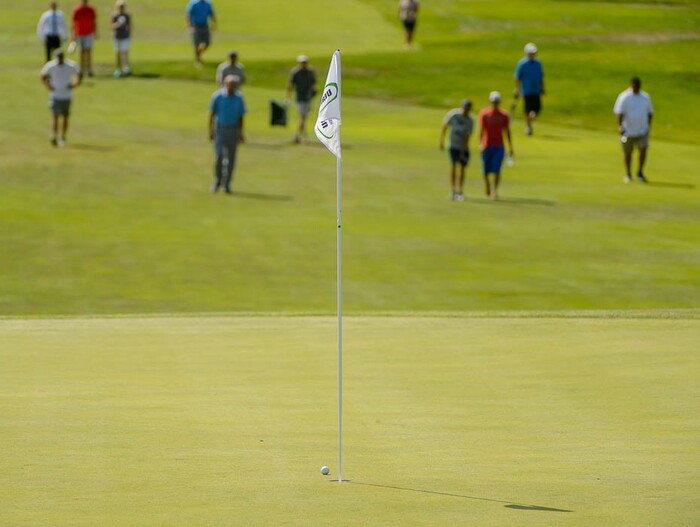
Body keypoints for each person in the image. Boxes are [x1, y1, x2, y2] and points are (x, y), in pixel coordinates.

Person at [208, 75, 246, 194]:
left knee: (231, 158)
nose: (232, 87)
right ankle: (217, 181)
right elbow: (212, 114)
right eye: (230, 85)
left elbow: (241, 116)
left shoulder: (239, 98)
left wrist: (241, 133)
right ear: (225, 84)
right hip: (220, 129)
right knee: (219, 156)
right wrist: (210, 131)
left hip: (233, 130)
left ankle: (227, 184)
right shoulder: (218, 96)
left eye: (234, 85)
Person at [613, 77, 654, 183]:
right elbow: (619, 112)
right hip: (627, 131)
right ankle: (628, 173)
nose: (636, 88)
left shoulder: (645, 97)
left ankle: (640, 172)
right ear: (631, 86)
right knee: (627, 152)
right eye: (634, 86)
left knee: (643, 150)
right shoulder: (624, 97)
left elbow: (650, 112)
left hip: (642, 130)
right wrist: (620, 126)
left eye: (638, 86)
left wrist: (647, 126)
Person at [41, 49, 83, 147]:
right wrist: (48, 85)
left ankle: (63, 136)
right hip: (55, 95)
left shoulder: (70, 65)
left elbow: (79, 73)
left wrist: (75, 84)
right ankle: (54, 136)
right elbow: (43, 75)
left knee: (65, 117)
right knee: (55, 116)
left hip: (67, 95)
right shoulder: (51, 66)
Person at [478, 91, 513, 200]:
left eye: (497, 102)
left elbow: (507, 131)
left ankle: (494, 191)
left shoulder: (504, 115)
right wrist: (481, 144)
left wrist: (510, 147)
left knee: (497, 169)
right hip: (487, 145)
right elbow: (481, 130)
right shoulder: (484, 114)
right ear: (490, 102)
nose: (495, 104)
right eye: (493, 102)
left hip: (499, 146)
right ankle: (487, 185)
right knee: (485, 170)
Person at [439, 99, 474, 201]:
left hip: (463, 146)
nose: (465, 111)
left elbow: (468, 137)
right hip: (453, 145)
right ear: (461, 107)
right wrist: (441, 140)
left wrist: (464, 149)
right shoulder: (453, 115)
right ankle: (453, 190)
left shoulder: (470, 120)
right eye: (464, 108)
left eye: (467, 109)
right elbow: (444, 126)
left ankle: (460, 191)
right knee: (453, 166)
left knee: (462, 168)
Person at [514, 42, 545, 136]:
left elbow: (541, 76)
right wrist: (517, 89)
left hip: (536, 91)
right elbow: (517, 77)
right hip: (527, 91)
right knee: (528, 110)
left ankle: (530, 123)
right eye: (531, 53)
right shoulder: (522, 64)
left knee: (537, 109)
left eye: (534, 53)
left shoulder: (538, 63)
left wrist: (542, 87)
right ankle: (528, 128)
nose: (533, 55)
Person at [286, 55, 316, 144]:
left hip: (308, 97)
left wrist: (313, 92)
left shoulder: (310, 71)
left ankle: (298, 135)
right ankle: (302, 136)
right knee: (303, 117)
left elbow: (313, 84)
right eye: (302, 62)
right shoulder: (295, 72)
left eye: (305, 62)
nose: (304, 64)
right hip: (300, 97)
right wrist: (288, 97)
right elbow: (290, 85)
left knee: (303, 117)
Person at [71, 0, 97, 77]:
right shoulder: (77, 10)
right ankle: (81, 69)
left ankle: (89, 69)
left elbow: (94, 21)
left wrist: (95, 32)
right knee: (81, 51)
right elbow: (73, 23)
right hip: (80, 33)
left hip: (89, 33)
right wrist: (73, 34)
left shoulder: (91, 10)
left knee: (88, 51)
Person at [186, 0, 216, 67]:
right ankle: (197, 60)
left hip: (205, 25)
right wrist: (189, 25)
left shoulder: (208, 3)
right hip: (196, 25)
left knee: (207, 43)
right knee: (196, 44)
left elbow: (211, 13)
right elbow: (189, 14)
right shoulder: (193, 3)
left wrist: (214, 23)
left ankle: (198, 55)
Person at [110, 0, 132, 77]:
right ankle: (118, 69)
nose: (121, 8)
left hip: (125, 37)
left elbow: (130, 26)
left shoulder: (127, 16)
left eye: (123, 7)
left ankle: (126, 68)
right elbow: (112, 26)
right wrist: (118, 24)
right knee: (118, 53)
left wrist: (129, 33)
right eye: (120, 7)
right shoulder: (115, 16)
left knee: (125, 52)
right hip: (117, 37)